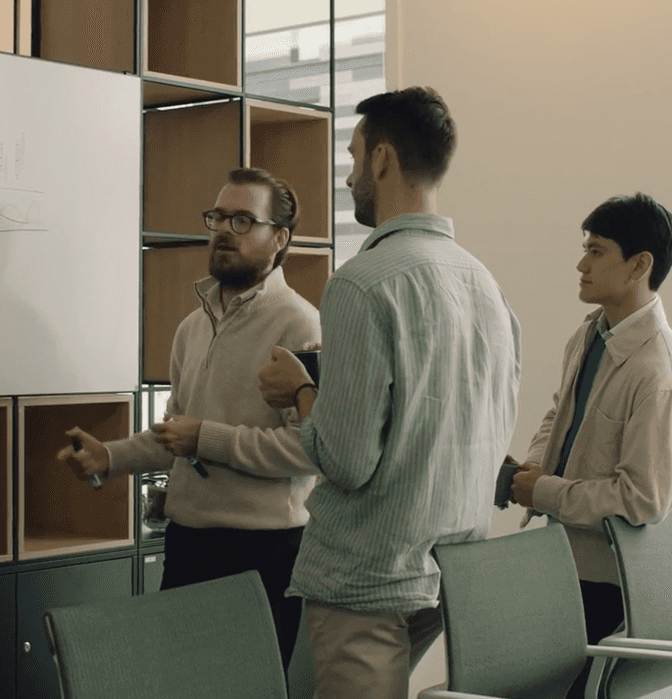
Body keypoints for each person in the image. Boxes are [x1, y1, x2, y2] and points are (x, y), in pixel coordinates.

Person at [257, 87, 521, 699]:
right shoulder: (486, 285)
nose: (348, 177)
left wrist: (300, 388)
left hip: (364, 581)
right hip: (445, 573)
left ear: (382, 159)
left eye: (352, 158)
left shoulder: (361, 285)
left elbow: (346, 460)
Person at [58, 167, 320, 671]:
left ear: (279, 238)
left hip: (264, 554)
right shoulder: (192, 327)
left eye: (243, 220)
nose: (224, 230)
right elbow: (176, 433)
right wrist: (108, 456)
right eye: (218, 216)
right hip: (188, 545)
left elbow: (307, 451)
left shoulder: (300, 323)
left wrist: (207, 438)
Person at [510, 193, 672, 653]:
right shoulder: (589, 333)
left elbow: (641, 500)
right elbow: (560, 412)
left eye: (597, 252)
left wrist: (544, 490)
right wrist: (530, 472)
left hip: (610, 587)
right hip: (562, 562)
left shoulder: (659, 371)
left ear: (639, 266)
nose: (581, 265)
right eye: (584, 248)